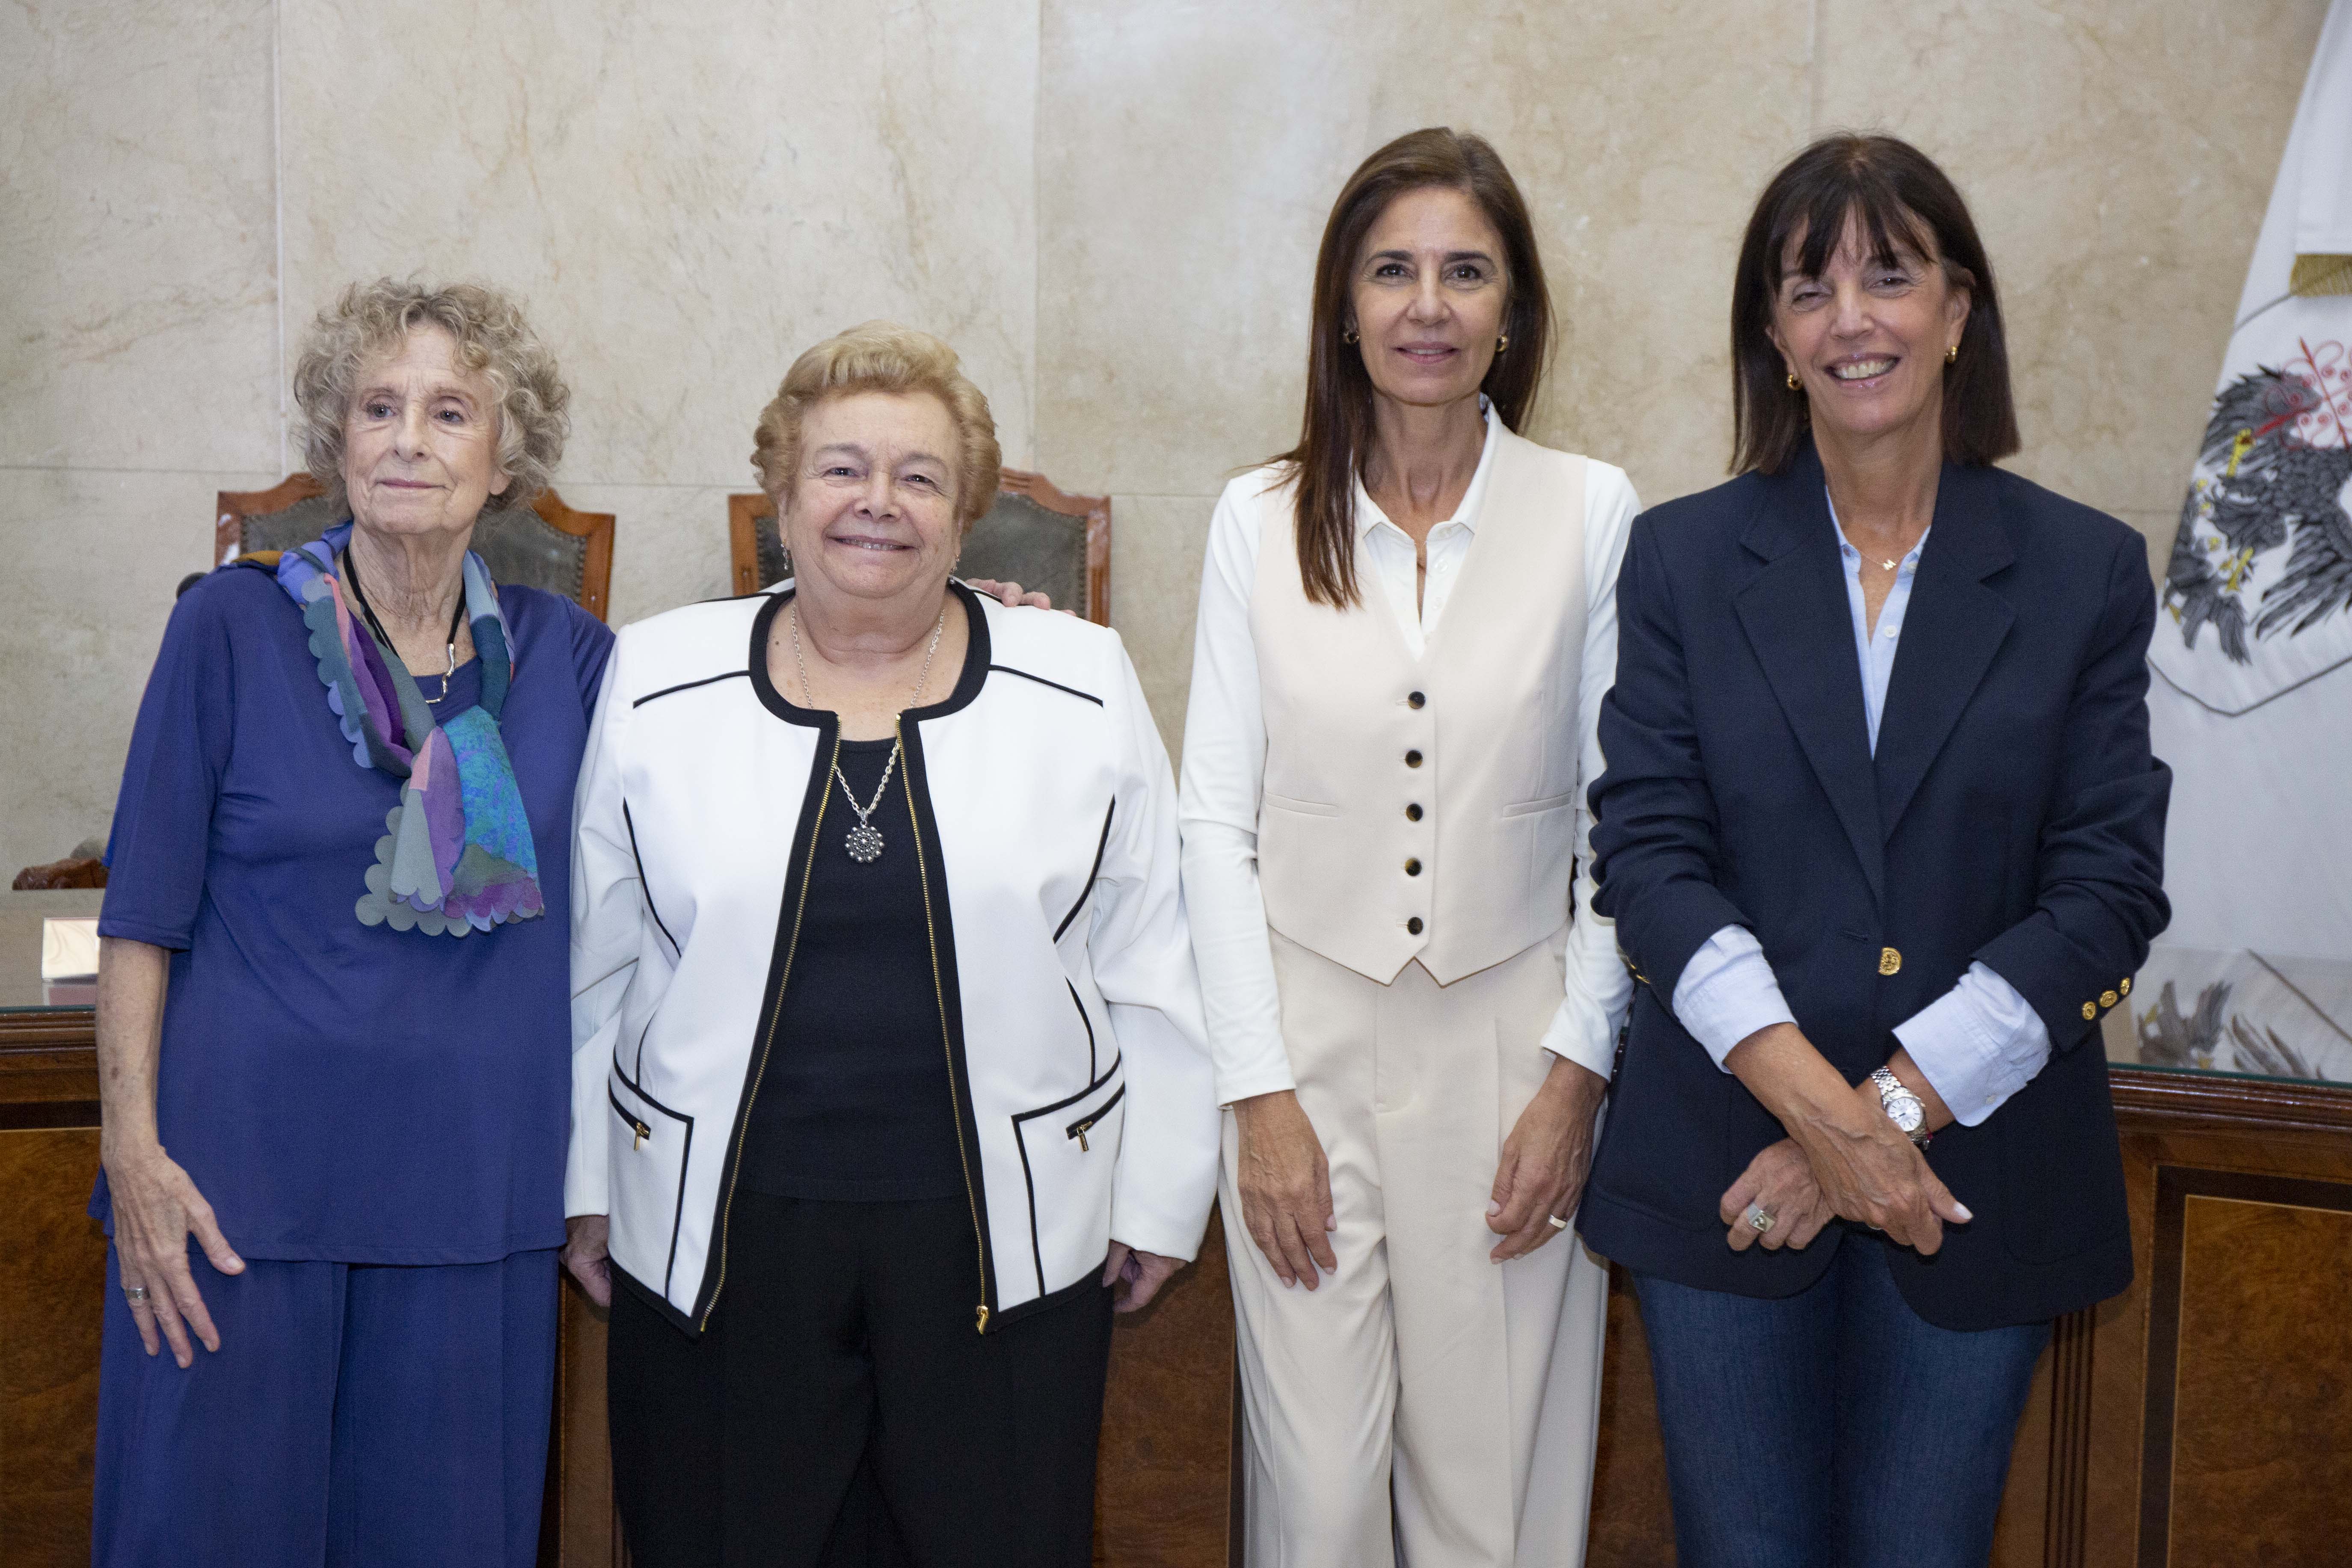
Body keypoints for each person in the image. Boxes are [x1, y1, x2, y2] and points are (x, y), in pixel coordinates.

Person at [1579, 134, 2171, 1568]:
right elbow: (1649, 854)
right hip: (1724, 1168)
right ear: (1772, 339)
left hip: (1978, 1178)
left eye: (1889, 277)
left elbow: (2104, 889)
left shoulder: (2080, 568)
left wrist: (1881, 1119)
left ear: (1958, 313)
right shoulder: (1681, 558)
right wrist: (1822, 1119)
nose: (1852, 319)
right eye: (1807, 288)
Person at [560, 320, 1219, 1567]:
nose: (878, 503)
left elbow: (1149, 952)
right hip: (716, 1230)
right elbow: (599, 953)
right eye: (841, 469)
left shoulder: (1078, 681)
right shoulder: (657, 676)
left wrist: (1158, 1192)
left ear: (965, 513)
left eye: (919, 476)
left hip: (1001, 1232)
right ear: (780, 497)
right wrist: (585, 1182)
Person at [91, 280, 613, 1566]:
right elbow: (142, 908)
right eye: (377, 406)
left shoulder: (577, 659)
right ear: (334, 440)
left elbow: (736, 750)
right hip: (235, 1198)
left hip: (473, 1204)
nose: (406, 439)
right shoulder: (229, 624)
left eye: (448, 411)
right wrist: (134, 1155)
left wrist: (969, 629)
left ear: (507, 461)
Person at [1177, 127, 1639, 1567]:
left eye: (1463, 272)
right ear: (1343, 304)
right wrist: (1255, 1094)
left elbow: (1625, 824)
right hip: (1301, 1048)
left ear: (1512, 311)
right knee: (1312, 1506)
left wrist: (1578, 1076)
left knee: (1490, 1505)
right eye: (1391, 270)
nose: (1425, 305)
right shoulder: (1257, 519)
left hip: (1518, 1049)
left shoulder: (1591, 509)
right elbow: (1212, 819)